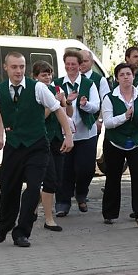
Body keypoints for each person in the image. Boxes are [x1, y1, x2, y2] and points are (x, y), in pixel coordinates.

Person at [0, 52, 73, 247]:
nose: (18, 71)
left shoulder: (38, 88)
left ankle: (21, 232)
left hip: (37, 145)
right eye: (14, 67)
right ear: (6, 68)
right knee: (8, 188)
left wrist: (69, 135)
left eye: (22, 67)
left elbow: (57, 109)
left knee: (33, 188)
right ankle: (3, 227)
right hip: (14, 146)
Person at [101, 63, 138, 225]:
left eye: (128, 74)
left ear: (133, 76)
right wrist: (124, 116)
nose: (126, 77)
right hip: (115, 141)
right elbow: (107, 123)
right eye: (122, 75)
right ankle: (109, 213)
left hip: (137, 141)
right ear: (117, 78)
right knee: (113, 177)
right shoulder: (109, 97)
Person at [55, 49, 100, 217]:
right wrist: (63, 101)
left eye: (74, 64)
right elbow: (52, 104)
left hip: (86, 132)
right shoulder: (58, 83)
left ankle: (81, 193)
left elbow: (96, 106)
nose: (70, 67)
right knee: (64, 169)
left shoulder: (89, 84)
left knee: (86, 169)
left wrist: (85, 104)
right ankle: (63, 202)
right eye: (67, 64)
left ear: (80, 65)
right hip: (64, 133)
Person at [32, 60, 70, 232]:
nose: (47, 77)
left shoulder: (57, 89)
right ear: (35, 77)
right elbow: (40, 117)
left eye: (49, 74)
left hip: (57, 138)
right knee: (50, 179)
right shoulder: (35, 92)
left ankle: (31, 207)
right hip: (42, 139)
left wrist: (65, 102)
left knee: (57, 178)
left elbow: (68, 114)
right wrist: (53, 102)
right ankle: (48, 218)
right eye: (43, 75)